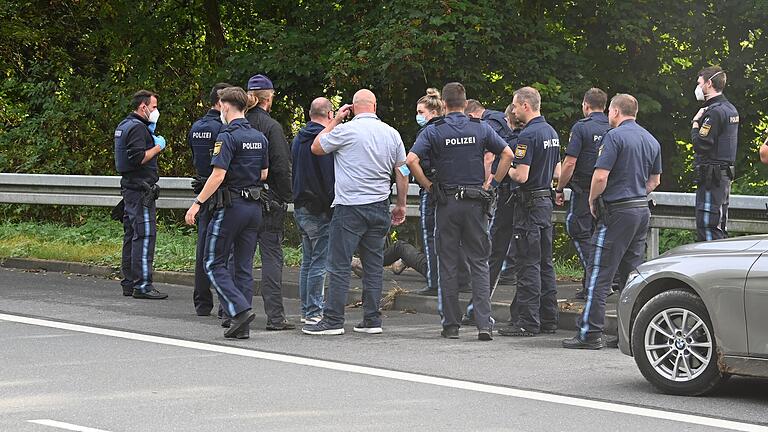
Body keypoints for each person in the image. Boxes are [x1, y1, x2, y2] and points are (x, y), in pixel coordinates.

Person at [407, 82, 514, 341]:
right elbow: (508, 154)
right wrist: (493, 183)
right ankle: (483, 324)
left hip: (447, 203)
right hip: (476, 203)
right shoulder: (480, 127)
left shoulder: (435, 131)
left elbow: (411, 160)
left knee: (448, 263)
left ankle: (451, 325)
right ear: (465, 104)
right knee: (479, 262)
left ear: (443, 104)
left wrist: (429, 186)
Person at [302, 89, 408, 335]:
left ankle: (333, 320)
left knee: (338, 264)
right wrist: (401, 204)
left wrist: (336, 120)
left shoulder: (345, 131)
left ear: (353, 108)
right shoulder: (392, 134)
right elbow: (402, 172)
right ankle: (372, 320)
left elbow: (316, 147)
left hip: (350, 208)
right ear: (375, 106)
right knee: (373, 266)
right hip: (380, 206)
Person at [563, 93, 662, 349]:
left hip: (617, 211)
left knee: (600, 273)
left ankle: (589, 333)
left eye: (610, 112)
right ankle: (627, 332)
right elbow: (655, 181)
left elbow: (599, 177)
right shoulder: (650, 139)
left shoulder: (614, 137)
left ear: (616, 112)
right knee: (632, 276)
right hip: (641, 210)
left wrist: (593, 201)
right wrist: (637, 192)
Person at [184, 86, 269, 339]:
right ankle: (241, 324)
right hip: (254, 208)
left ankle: (240, 310)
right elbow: (264, 173)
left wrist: (198, 203)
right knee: (242, 266)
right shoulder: (259, 136)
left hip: (231, 207)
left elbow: (218, 174)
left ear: (225, 106)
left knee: (213, 261)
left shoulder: (227, 136)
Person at [498, 86, 560, 337]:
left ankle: (527, 321)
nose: (512, 110)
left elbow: (521, 175)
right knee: (545, 263)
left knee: (527, 265)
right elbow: (557, 172)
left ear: (525, 105)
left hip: (529, 206)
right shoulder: (551, 132)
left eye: (514, 105)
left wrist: (506, 170)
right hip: (544, 202)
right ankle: (549, 318)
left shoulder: (528, 136)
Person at [462, 103, 522, 325]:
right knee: (532, 259)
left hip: (506, 195)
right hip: (528, 201)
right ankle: (532, 315)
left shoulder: (487, 125)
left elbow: (489, 158)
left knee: (493, 253)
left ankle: (476, 310)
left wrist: (488, 184)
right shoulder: (535, 132)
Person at [245, 74, 295, 330]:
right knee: (271, 257)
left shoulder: (236, 124)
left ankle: (233, 311)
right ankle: (275, 317)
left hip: (239, 200)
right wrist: (287, 196)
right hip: (268, 201)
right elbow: (281, 166)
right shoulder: (271, 126)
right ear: (269, 97)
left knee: (239, 257)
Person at [555, 88, 610, 299]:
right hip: (607, 190)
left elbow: (569, 162)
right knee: (598, 236)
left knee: (577, 229)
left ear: (585, 105)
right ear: (604, 107)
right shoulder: (612, 125)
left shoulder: (581, 127)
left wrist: (560, 188)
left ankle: (598, 279)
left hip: (584, 190)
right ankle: (591, 285)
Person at [113, 90, 168, 300]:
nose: (156, 111)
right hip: (140, 190)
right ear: (143, 107)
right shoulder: (137, 128)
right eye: (153, 107)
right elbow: (138, 158)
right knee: (144, 236)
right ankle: (143, 285)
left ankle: (129, 282)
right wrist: (157, 147)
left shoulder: (124, 124)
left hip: (130, 189)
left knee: (131, 236)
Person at [188, 82, 231, 316]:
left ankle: (202, 302)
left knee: (203, 246)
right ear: (221, 102)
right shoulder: (222, 130)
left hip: (201, 188)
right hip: (219, 191)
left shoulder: (196, 126)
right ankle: (226, 305)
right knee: (223, 249)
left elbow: (196, 156)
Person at [292, 97, 336, 325]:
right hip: (319, 208)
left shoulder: (298, 138)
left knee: (308, 260)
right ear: (330, 115)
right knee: (319, 261)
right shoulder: (324, 141)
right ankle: (313, 312)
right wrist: (332, 204)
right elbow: (328, 177)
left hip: (300, 205)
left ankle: (306, 309)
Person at [691, 66, 739, 242]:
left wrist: (696, 122)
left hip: (712, 177)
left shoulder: (714, 112)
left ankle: (711, 267)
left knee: (708, 227)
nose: (697, 88)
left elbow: (701, 144)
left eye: (699, 83)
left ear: (709, 84)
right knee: (719, 224)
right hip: (722, 177)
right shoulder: (730, 109)